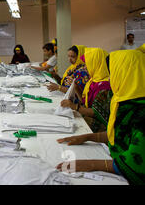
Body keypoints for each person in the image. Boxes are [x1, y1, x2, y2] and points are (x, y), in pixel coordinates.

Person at [56, 49, 145, 185]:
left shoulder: (140, 112)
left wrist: (92, 164)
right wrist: (88, 137)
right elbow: (119, 135)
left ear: (125, 74)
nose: (110, 79)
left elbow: (134, 165)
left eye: (113, 73)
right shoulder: (126, 102)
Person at [59, 47, 112, 132]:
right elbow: (84, 102)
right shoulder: (93, 80)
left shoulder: (105, 85)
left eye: (88, 64)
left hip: (100, 128)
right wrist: (76, 87)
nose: (85, 67)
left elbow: (96, 112)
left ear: (96, 63)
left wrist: (75, 107)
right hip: (88, 119)